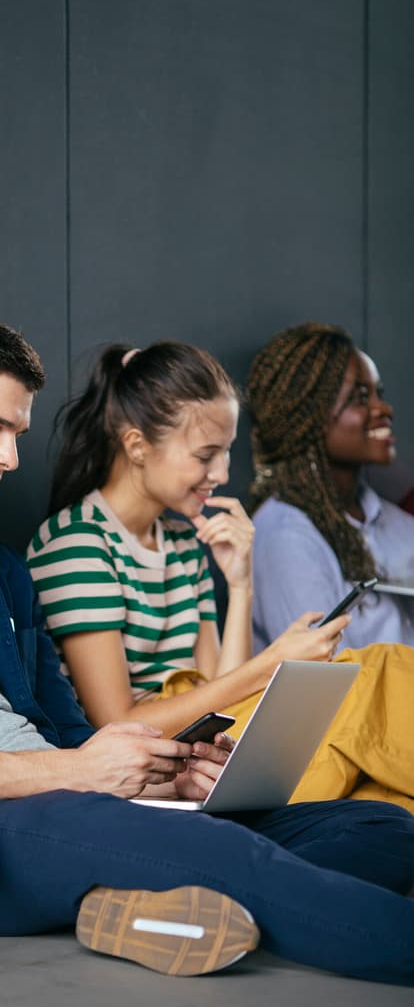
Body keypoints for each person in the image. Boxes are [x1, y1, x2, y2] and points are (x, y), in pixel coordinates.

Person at [0, 310, 414, 986]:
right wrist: (79, 772)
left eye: (17, 435)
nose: (10, 458)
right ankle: (179, 887)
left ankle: (136, 901)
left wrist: (159, 775)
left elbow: (71, 733)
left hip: (62, 803)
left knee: (381, 827)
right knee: (221, 851)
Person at [26, 341, 414, 811]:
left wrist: (240, 582)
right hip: (154, 762)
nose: (223, 473)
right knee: (376, 676)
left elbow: (221, 693)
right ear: (137, 446)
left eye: (227, 452)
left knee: (384, 792)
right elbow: (117, 723)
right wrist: (272, 662)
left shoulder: (183, 540)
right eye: (206, 454)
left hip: (210, 742)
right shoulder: (78, 543)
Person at [247, 322, 414, 651]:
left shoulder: (398, 524)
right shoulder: (284, 535)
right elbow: (325, 670)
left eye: (379, 394)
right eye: (360, 398)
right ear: (307, 416)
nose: (383, 409)